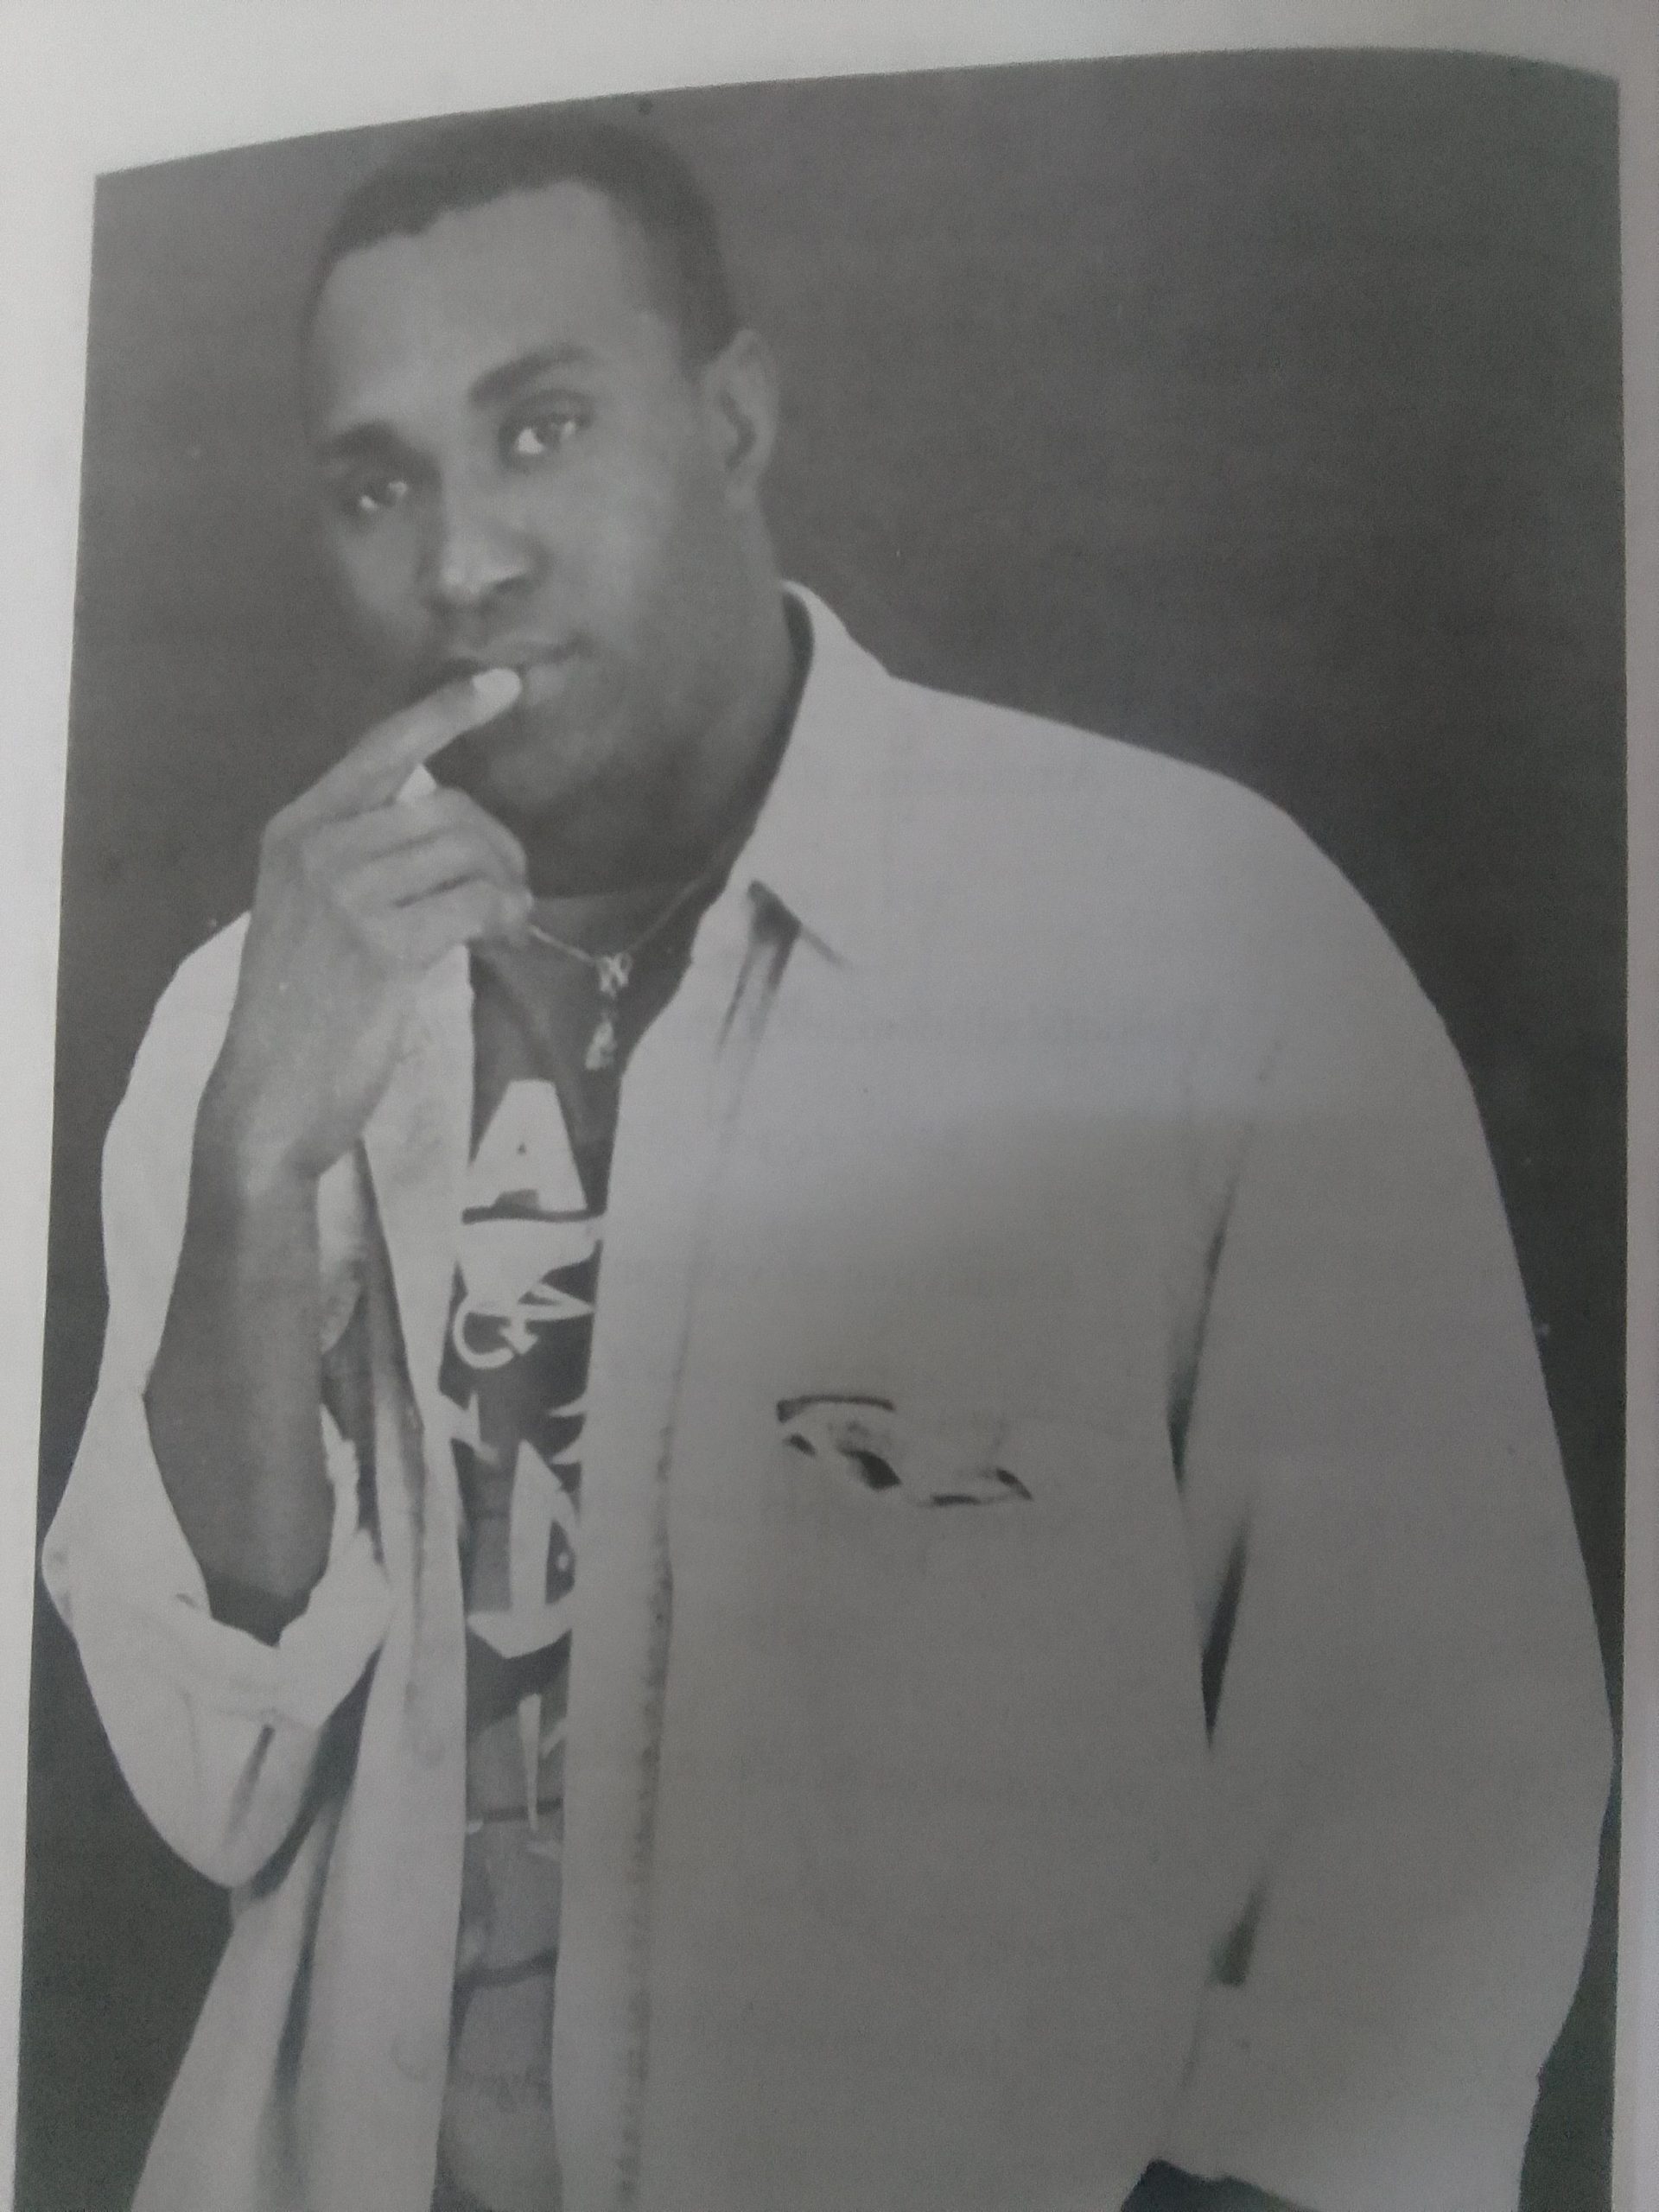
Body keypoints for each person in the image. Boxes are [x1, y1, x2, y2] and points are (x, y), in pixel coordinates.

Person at [41, 111, 1612, 2212]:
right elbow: (207, 1786)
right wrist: (258, 1154)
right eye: (377, 481)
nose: (461, 562)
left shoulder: (1190, 935)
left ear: (736, 418)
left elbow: (1439, 1790)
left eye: (541, 429)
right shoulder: (256, 1010)